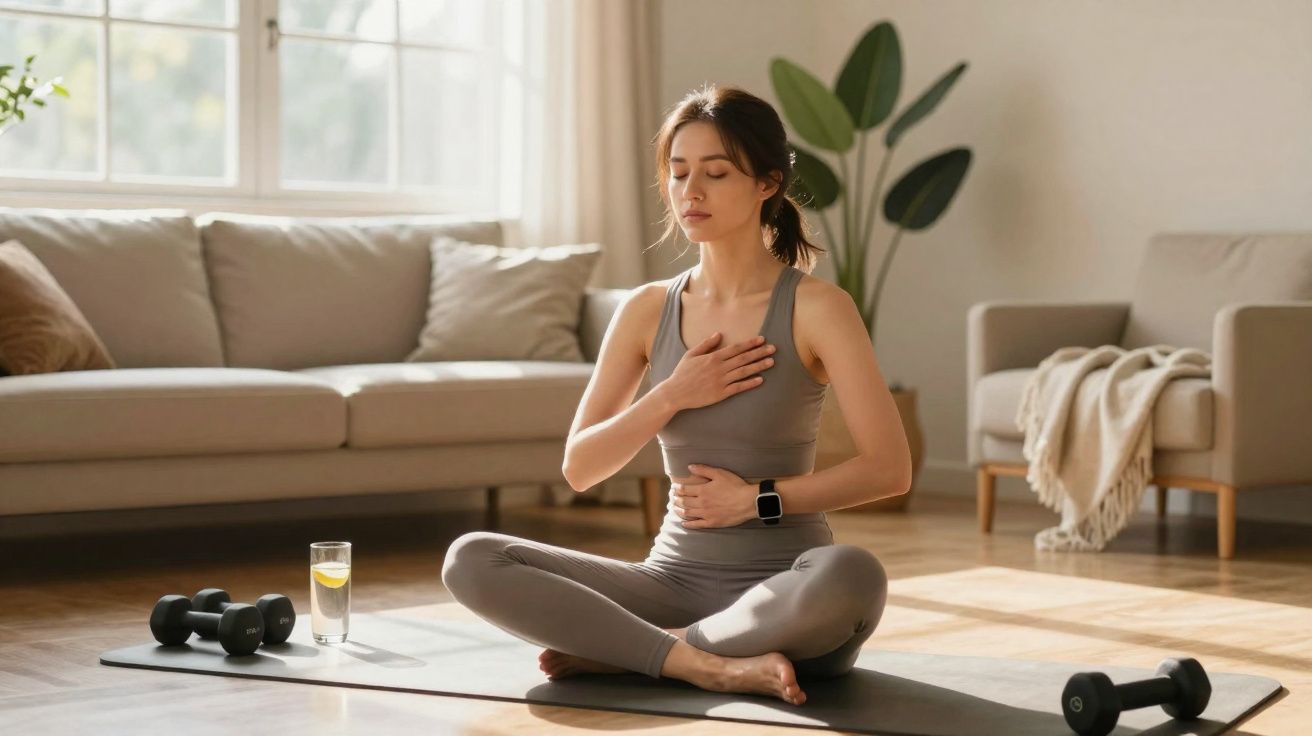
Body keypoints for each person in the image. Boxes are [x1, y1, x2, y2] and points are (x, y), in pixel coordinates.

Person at [441, 83, 913, 707]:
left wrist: (757, 499)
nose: (691, 191)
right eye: (679, 171)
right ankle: (704, 664)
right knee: (472, 557)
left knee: (853, 574)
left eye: (716, 173)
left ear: (767, 184)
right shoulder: (645, 310)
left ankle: (646, 651)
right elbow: (581, 468)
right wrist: (671, 394)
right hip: (670, 581)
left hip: (789, 591)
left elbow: (889, 469)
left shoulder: (818, 308)